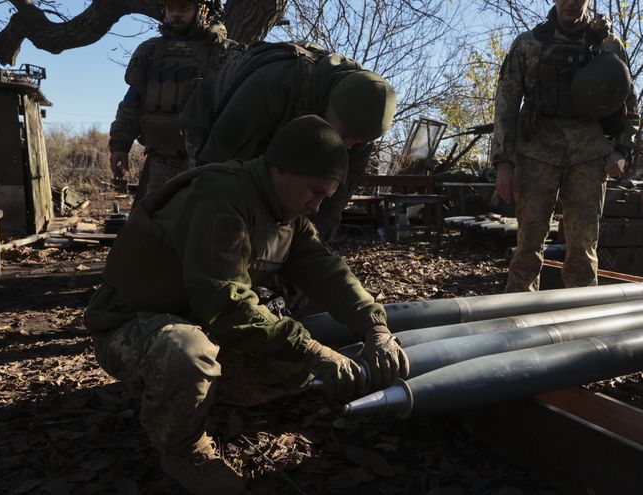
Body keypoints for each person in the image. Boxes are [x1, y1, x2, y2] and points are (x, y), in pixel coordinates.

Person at [85, 116, 409, 494]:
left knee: (287, 363)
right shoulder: (221, 196)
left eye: (325, 196)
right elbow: (224, 302)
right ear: (282, 168)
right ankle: (182, 447)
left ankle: (196, 396)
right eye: (313, 191)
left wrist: (375, 326)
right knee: (187, 355)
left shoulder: (286, 211)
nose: (316, 205)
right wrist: (312, 349)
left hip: (193, 316)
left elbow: (329, 273)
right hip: (131, 324)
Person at [180, 41, 396, 240]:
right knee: (210, 213)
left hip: (277, 132)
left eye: (359, 142)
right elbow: (215, 166)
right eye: (346, 134)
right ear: (331, 105)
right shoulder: (274, 84)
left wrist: (304, 258)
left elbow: (330, 208)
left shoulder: (360, 132)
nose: (348, 146)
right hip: (216, 122)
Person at [492, 0, 640, 291]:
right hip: (536, 153)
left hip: (589, 156)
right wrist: (503, 162)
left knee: (583, 251)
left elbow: (629, 104)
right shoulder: (529, 44)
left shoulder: (609, 46)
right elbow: (506, 105)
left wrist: (622, 149)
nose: (572, 2)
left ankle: (579, 325)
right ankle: (516, 322)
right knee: (528, 246)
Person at [108, 0, 239, 204]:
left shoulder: (226, 52)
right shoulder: (150, 51)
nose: (176, 14)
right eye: (171, 7)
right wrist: (119, 145)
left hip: (211, 166)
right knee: (157, 226)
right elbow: (132, 102)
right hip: (162, 162)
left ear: (204, 10)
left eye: (184, 7)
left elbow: (243, 109)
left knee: (205, 227)